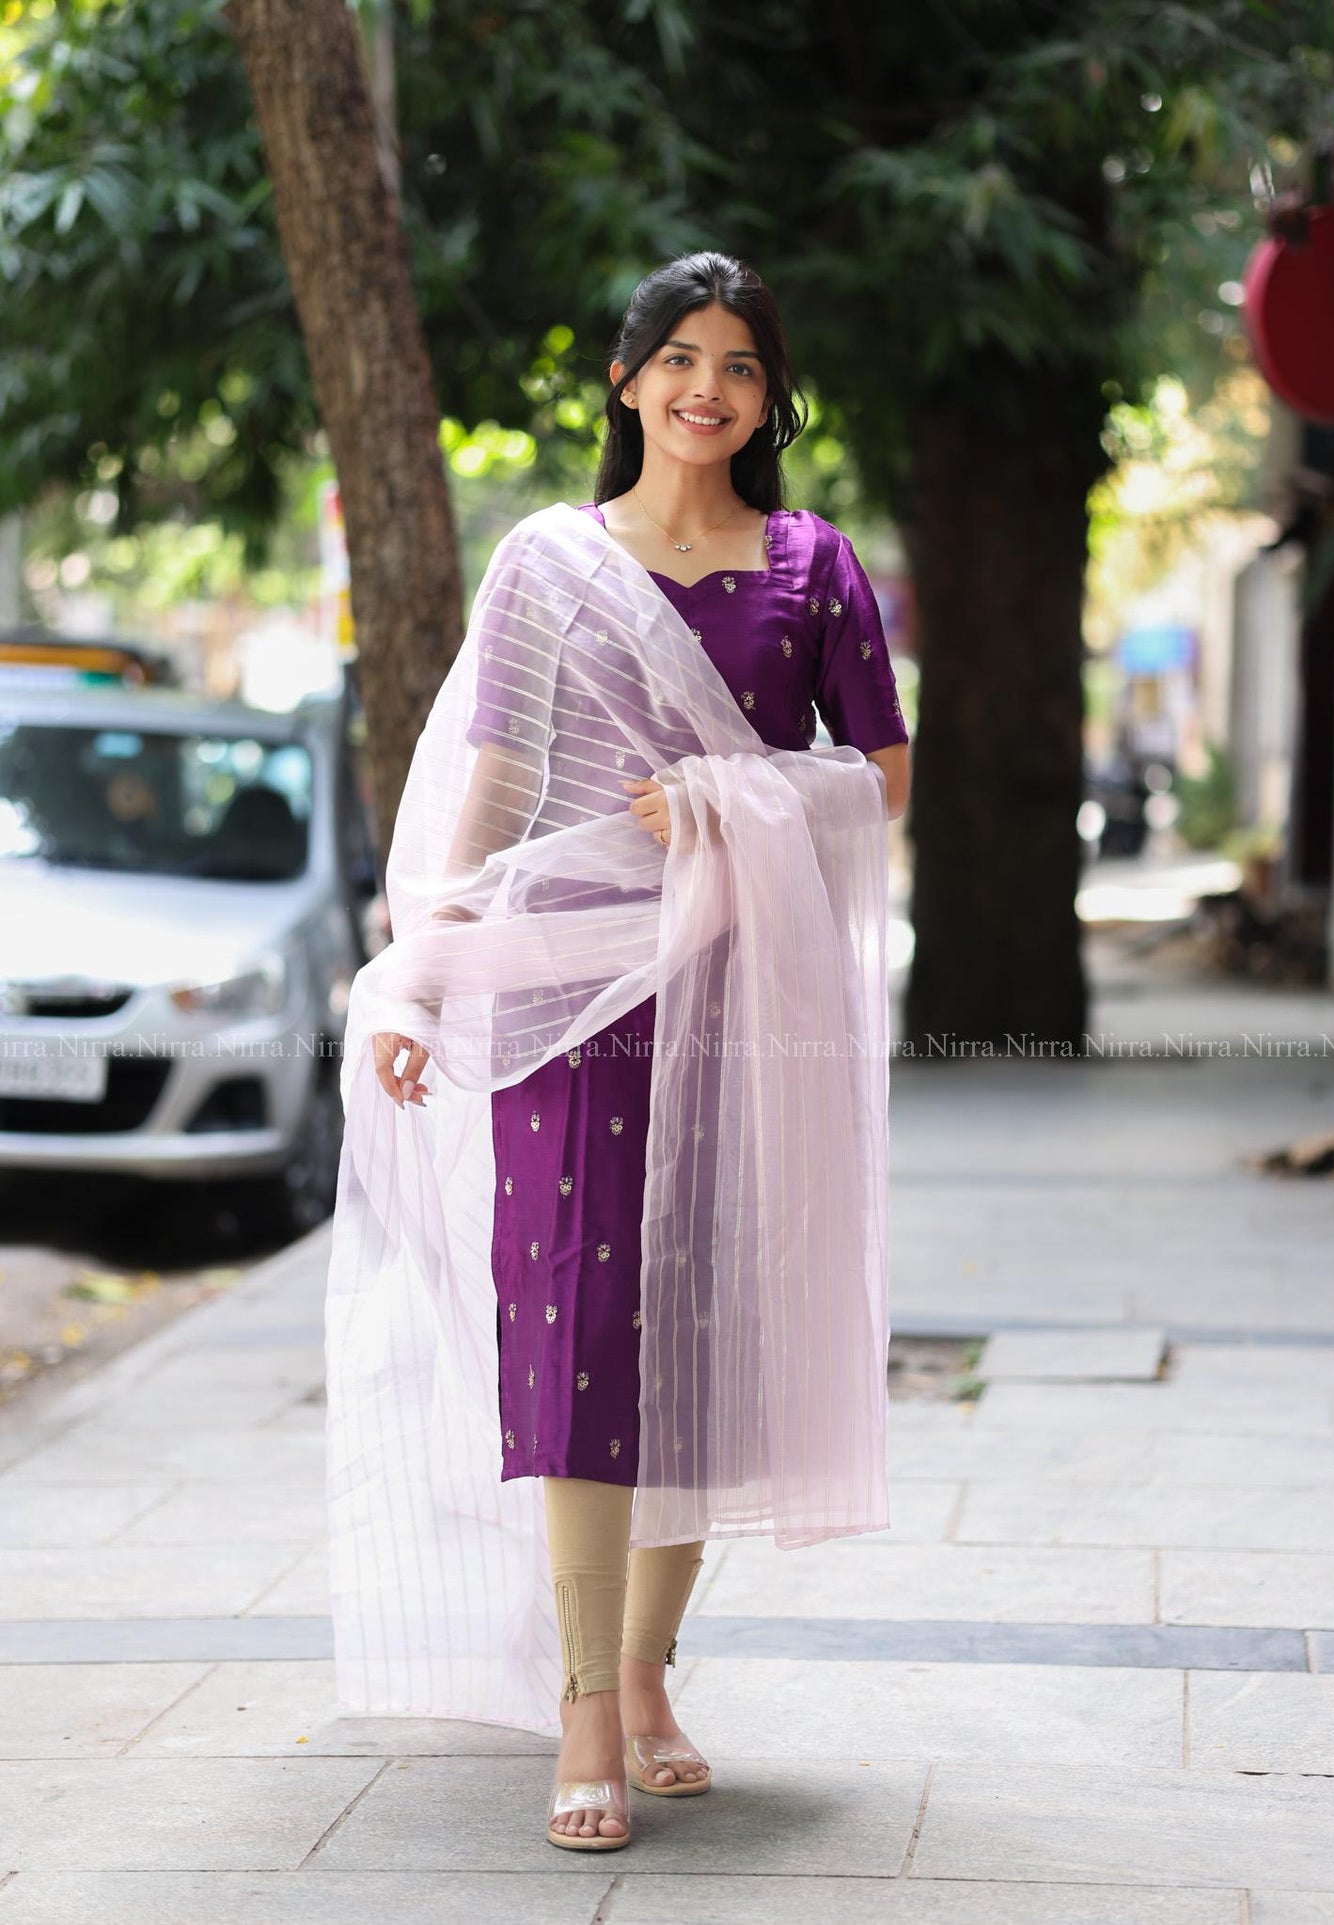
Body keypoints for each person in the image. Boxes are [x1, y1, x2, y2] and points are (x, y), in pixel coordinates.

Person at [349, 250, 910, 1854]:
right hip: (565, 998)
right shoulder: (545, 563)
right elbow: (498, 779)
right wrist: (431, 974)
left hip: (745, 999)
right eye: (678, 356)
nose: (706, 387)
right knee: (581, 1331)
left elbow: (880, 781)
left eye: (737, 363)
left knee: (701, 1354)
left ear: (767, 398)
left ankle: (652, 1672)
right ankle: (584, 1701)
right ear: (624, 380)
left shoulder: (813, 566)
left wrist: (736, 801)